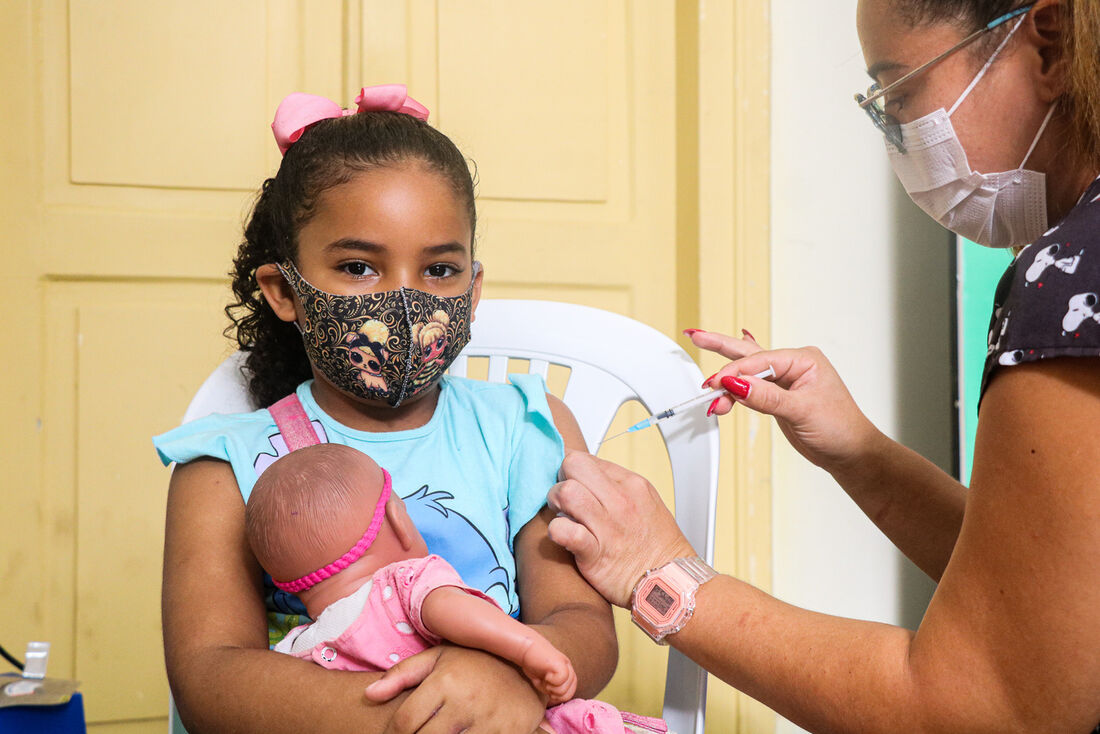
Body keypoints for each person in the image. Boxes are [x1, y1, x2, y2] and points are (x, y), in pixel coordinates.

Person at [545, 1, 1100, 732]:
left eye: (901, 93)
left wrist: (661, 574)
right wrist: (860, 453)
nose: (899, 136)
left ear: (1050, 45)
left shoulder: (1067, 281)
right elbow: (1049, 594)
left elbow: (984, 704)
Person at [153, 85, 617, 733]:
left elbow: (585, 627)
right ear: (284, 290)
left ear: (473, 287)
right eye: (358, 267)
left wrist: (507, 680)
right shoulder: (225, 467)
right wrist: (418, 714)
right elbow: (210, 680)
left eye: (440, 270)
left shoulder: (526, 427)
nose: (404, 299)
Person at [245, 443, 667, 734]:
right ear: (399, 520)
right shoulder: (404, 583)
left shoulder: (297, 647)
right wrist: (527, 651)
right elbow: (463, 617)